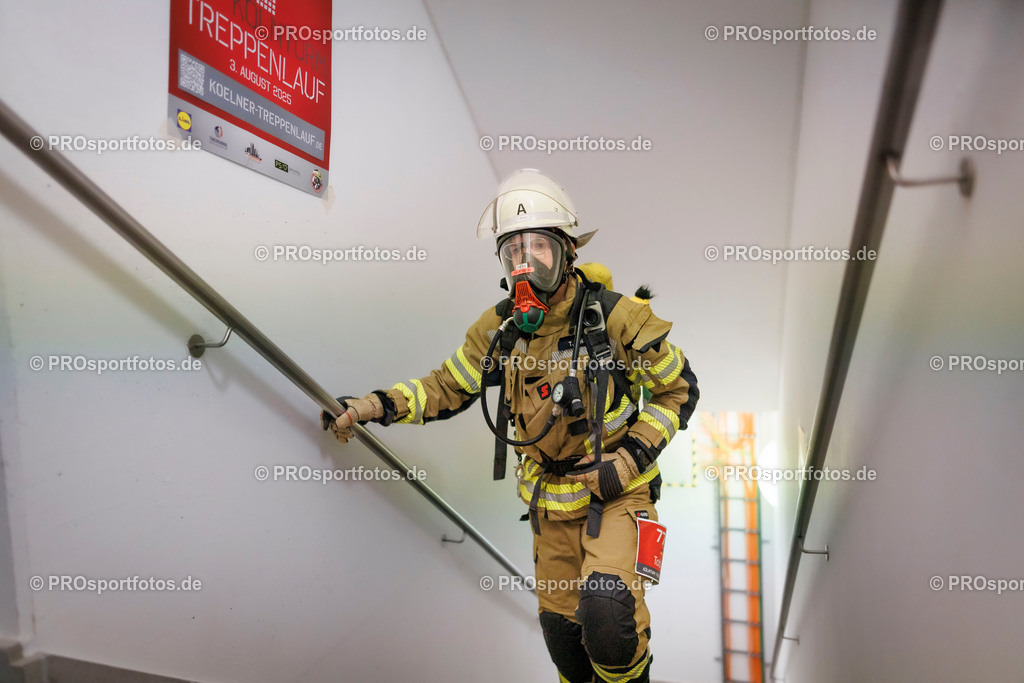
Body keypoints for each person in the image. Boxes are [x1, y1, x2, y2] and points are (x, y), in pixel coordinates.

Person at [324, 169, 698, 683]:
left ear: (567, 251)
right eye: (512, 252)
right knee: (564, 643)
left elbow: (677, 390)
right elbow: (446, 387)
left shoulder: (615, 319)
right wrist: (372, 406)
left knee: (609, 621)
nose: (525, 265)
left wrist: (630, 456)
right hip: (550, 504)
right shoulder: (498, 330)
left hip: (616, 496)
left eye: (538, 248)